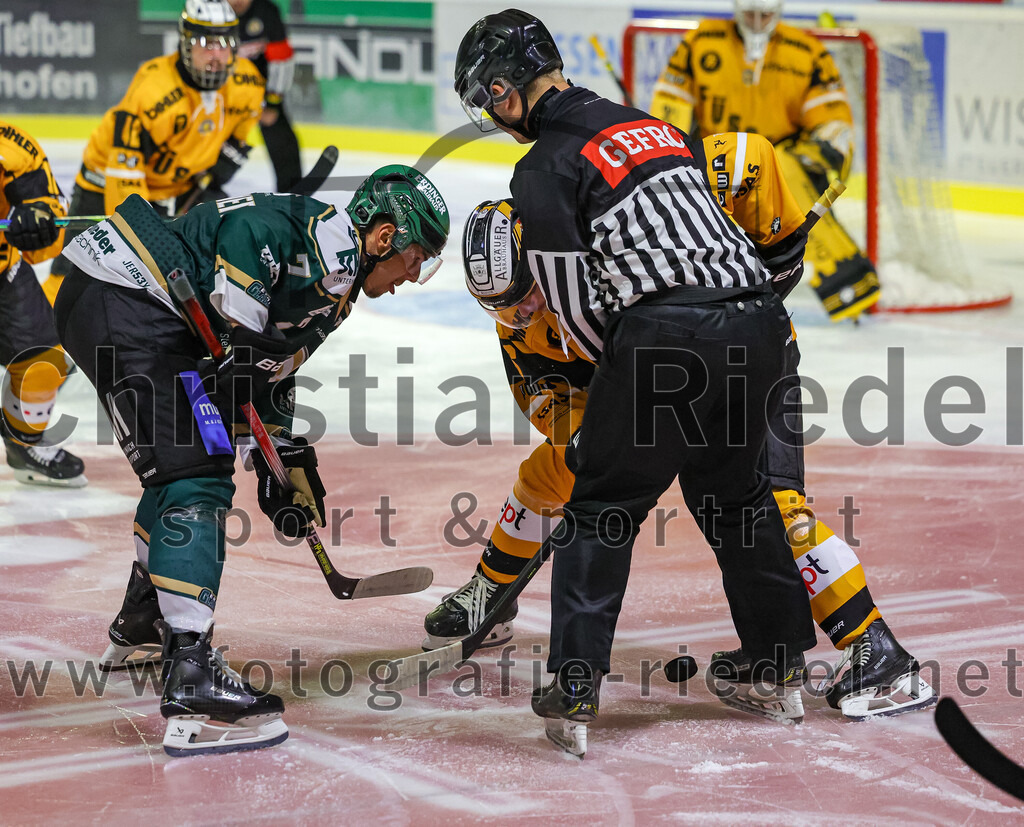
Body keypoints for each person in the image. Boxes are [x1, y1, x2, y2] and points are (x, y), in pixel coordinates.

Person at [431, 136, 935, 723]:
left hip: (744, 360)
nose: (520, 317)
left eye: (525, 297)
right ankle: (491, 593)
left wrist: (777, 247)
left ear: (549, 253)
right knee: (558, 467)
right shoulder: (521, 319)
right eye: (501, 306)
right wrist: (580, 434)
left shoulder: (608, 227)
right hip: (651, 383)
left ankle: (881, 654)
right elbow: (543, 393)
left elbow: (747, 155)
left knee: (771, 507)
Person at [454, 9, 816, 756]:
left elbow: (576, 302)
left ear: (504, 89)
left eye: (488, 101)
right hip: (758, 324)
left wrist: (612, 396)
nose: (492, 115)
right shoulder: (649, 124)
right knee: (737, 498)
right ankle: (777, 673)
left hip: (666, 333)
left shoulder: (542, 165)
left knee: (601, 503)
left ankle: (574, 689)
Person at [53, 165, 449, 756]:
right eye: (417, 256)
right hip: (127, 292)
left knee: (187, 463)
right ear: (384, 237)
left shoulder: (338, 290)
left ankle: (145, 619)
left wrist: (281, 462)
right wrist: (237, 330)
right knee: (197, 474)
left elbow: (263, 372)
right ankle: (190, 674)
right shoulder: (311, 237)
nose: (415, 274)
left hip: (131, 302)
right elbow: (242, 236)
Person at [649, 0, 880, 323]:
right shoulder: (701, 42)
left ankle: (846, 285)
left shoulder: (807, 51)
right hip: (720, 161)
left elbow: (834, 124)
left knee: (785, 175)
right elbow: (670, 106)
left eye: (765, 15)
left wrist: (821, 152)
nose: (757, 22)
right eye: (750, 14)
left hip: (776, 164)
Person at [44, 0, 263, 303]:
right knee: (75, 273)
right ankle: (40, 339)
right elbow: (124, 174)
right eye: (205, 43)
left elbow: (237, 140)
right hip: (106, 181)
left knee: (215, 253)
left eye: (224, 44)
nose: (216, 55)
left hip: (182, 187)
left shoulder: (248, 82)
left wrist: (209, 183)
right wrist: (142, 229)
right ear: (185, 44)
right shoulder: (152, 91)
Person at [0, 121, 87, 487]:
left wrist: (37, 221)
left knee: (44, 358)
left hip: (3, 267)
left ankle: (24, 445)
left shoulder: (12, 145)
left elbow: (49, 214)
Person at [227, 0, 303, 193]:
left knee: (281, 137)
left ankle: (292, 194)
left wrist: (272, 103)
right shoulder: (207, 12)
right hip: (220, 92)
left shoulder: (266, 12)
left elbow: (282, 59)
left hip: (261, 90)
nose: (237, 2)